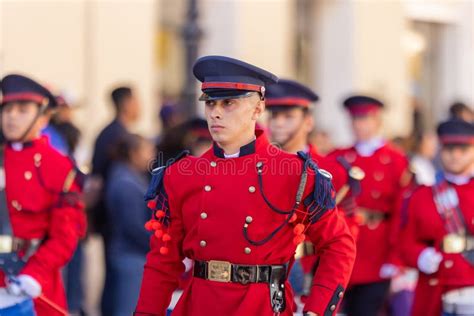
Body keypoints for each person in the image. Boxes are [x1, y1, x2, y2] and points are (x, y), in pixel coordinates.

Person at [134, 56, 356, 316]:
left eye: (228, 103)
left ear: (258, 109)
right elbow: (163, 260)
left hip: (262, 306)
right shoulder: (181, 175)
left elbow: (339, 244)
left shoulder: (295, 172)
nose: (215, 113)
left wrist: (316, 311)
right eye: (211, 103)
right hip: (200, 305)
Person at [265, 79, 363, 299]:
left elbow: (345, 233)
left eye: (288, 117)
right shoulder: (257, 167)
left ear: (308, 122)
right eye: (274, 116)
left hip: (310, 272)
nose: (278, 123)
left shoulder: (332, 170)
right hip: (263, 275)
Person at [0, 74, 86, 315]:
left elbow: (66, 235)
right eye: (7, 109)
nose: (12, 116)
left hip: (34, 281)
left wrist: (34, 275)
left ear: (43, 117)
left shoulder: (58, 166)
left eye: (22, 109)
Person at [330, 95, 411, 316]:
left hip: (377, 250)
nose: (359, 125)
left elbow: (401, 214)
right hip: (342, 249)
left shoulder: (395, 159)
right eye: (355, 119)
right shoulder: (339, 157)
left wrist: (396, 257)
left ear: (377, 121)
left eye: (365, 118)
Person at [400, 119, 474, 316]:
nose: (455, 155)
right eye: (449, 148)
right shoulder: (422, 195)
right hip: (435, 288)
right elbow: (406, 242)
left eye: (463, 149)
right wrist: (420, 256)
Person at [90, 85, 140, 316]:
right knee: (114, 281)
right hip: (112, 218)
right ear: (126, 103)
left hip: (111, 218)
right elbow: (101, 179)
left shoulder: (114, 130)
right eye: (136, 100)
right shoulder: (114, 134)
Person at [104, 133, 155, 316]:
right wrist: (158, 246)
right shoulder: (126, 182)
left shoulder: (130, 177)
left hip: (130, 254)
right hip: (130, 257)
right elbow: (133, 227)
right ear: (134, 153)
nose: (152, 156)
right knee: (127, 309)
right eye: (147, 151)